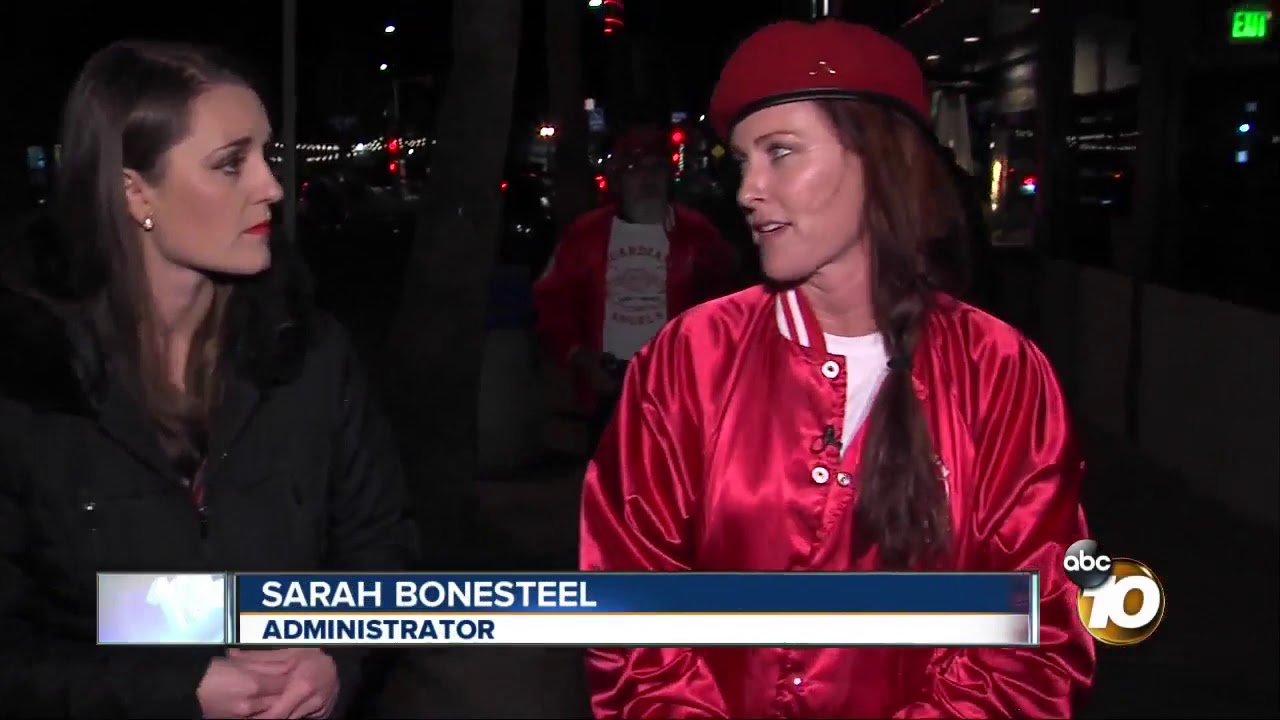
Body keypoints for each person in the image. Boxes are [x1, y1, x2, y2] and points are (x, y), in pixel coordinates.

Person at [579, 20, 1096, 719]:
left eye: (781, 153)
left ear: (878, 160)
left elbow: (1037, 632)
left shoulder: (1001, 374)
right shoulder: (689, 360)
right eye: (743, 162)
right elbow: (629, 602)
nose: (748, 189)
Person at [0, 41, 417, 718]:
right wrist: (176, 693)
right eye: (231, 164)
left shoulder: (309, 355)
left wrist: (336, 661)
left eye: (266, 155)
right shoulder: (29, 385)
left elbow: (383, 553)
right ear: (136, 192)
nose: (271, 186)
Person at [533, 123, 741, 447]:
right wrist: (582, 358)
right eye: (635, 169)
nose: (647, 179)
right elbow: (552, 302)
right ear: (619, 179)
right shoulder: (585, 236)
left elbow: (726, 305)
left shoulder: (697, 235)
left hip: (676, 389)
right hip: (609, 389)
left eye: (656, 168)